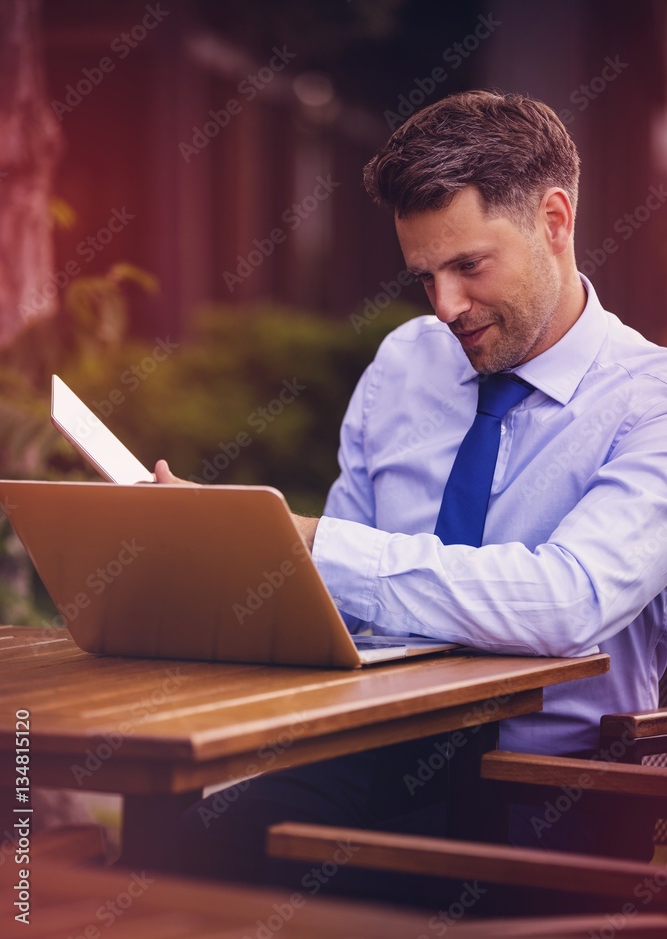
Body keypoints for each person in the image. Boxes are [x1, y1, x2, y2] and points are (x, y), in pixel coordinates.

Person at [155, 89, 667, 900]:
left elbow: (566, 602)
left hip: (552, 794)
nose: (445, 306)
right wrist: (227, 555)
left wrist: (307, 541)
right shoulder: (405, 363)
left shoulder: (652, 405)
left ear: (555, 221)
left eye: (468, 266)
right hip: (372, 746)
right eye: (424, 275)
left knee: (252, 874)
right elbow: (339, 610)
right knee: (174, 839)